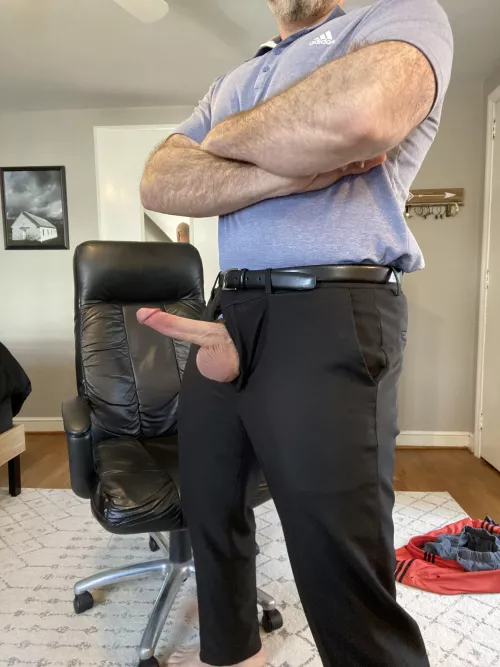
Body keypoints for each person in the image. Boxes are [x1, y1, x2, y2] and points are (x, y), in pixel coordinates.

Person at [138, 1, 454, 665]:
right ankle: (235, 656)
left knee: (338, 560)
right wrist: (286, 170)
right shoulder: (231, 80)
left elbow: (361, 117)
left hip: (331, 306)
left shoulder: (395, 18)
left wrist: (222, 143)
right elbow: (159, 180)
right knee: (210, 511)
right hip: (228, 313)